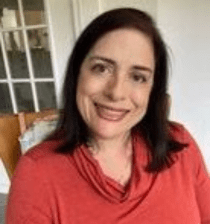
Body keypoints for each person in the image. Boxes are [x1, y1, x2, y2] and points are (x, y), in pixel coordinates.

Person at [6, 8, 210, 224]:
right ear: (77, 74)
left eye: (138, 77)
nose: (116, 92)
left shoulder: (180, 144)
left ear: (152, 90)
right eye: (101, 68)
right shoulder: (37, 174)